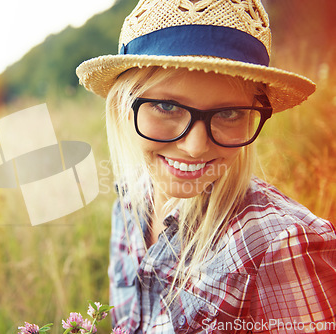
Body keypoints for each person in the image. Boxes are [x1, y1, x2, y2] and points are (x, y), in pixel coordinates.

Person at [76, 0, 336, 333]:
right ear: (125, 106)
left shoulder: (279, 246)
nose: (196, 147)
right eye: (167, 106)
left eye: (229, 113)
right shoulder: (128, 207)